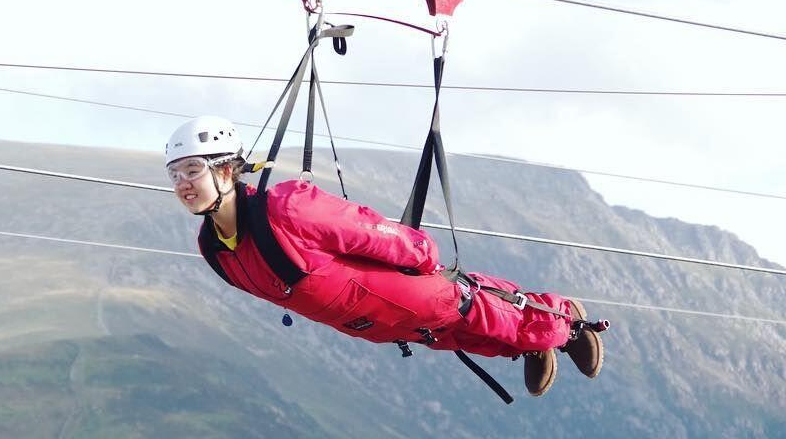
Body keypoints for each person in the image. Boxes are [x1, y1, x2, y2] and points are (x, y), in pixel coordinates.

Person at [166, 115, 604, 397]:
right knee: (454, 337)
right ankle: (527, 345)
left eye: (193, 170)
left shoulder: (285, 208)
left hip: (406, 292)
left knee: (474, 308)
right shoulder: (216, 250)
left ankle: (565, 323)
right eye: (175, 174)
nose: (183, 183)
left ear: (226, 168)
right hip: (371, 322)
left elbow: (367, 232)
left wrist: (422, 255)